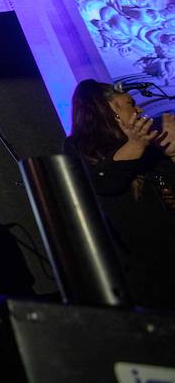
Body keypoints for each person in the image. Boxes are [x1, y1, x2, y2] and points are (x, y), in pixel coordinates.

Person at [64, 79, 175, 309]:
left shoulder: (151, 148)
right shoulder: (80, 148)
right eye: (130, 104)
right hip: (142, 271)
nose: (139, 109)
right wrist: (135, 146)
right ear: (108, 111)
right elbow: (103, 182)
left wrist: (173, 154)